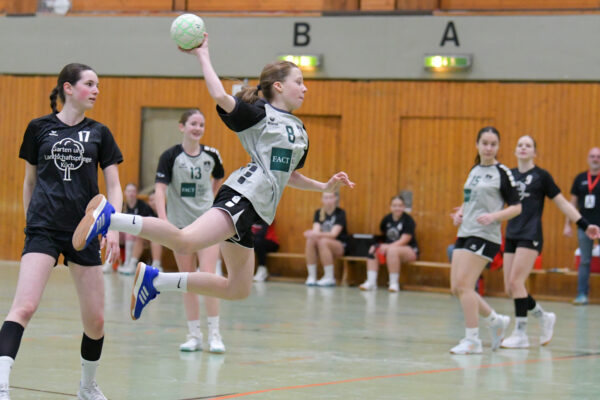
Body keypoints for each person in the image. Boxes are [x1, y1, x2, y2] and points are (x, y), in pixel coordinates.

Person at [71, 33, 354, 322]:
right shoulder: (259, 115)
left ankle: (157, 281)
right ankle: (110, 219)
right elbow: (220, 96)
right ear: (279, 86)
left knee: (238, 289)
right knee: (185, 241)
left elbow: (288, 175)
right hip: (242, 196)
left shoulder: (300, 131)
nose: (305, 88)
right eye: (299, 81)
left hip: (255, 210)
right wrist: (202, 54)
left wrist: (324, 186)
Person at [0, 63, 123, 400]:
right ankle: (1, 383)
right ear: (68, 88)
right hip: (44, 228)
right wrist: (31, 225)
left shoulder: (100, 133)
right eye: (90, 84)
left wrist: (113, 225)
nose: (96, 90)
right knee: (24, 306)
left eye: (98, 85)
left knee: (96, 322)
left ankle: (87, 386)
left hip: (84, 231)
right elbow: (29, 182)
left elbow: (114, 186)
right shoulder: (38, 128)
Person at [501, 136, 600, 348]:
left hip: (530, 234)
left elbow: (563, 203)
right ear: (515, 150)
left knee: (516, 282)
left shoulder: (542, 176)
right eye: (520, 145)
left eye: (528, 145)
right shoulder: (508, 175)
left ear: (534, 152)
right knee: (510, 288)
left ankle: (520, 334)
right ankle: (544, 317)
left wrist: (584, 225)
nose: (523, 148)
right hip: (511, 233)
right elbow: (496, 202)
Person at [154, 109, 226, 353]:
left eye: (201, 124)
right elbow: (160, 189)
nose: (198, 128)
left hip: (207, 225)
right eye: (193, 123)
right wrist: (164, 221)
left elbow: (218, 179)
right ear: (182, 127)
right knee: (187, 281)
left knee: (208, 277)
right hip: (180, 228)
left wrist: (210, 200)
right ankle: (194, 335)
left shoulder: (212, 155)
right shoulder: (170, 156)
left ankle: (215, 334)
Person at [449, 126, 521, 355]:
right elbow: (469, 199)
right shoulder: (474, 170)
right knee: (456, 288)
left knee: (465, 285)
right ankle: (495, 320)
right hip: (465, 232)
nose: (489, 148)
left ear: (498, 147)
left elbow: (517, 207)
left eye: (493, 144)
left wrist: (494, 216)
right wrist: (460, 213)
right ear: (477, 145)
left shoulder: (502, 173)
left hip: (485, 235)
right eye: (485, 143)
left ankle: (473, 340)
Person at [359, 194, 418, 292]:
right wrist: (380, 246)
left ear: (404, 207)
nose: (397, 208)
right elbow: (384, 236)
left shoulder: (408, 220)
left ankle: (393, 283)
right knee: (373, 249)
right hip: (389, 248)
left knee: (392, 251)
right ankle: (371, 282)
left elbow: (404, 240)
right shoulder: (386, 219)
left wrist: (388, 247)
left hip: (409, 249)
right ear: (390, 207)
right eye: (394, 205)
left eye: (400, 205)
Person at [565, 147, 600, 305]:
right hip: (584, 226)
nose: (595, 159)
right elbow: (571, 204)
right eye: (592, 156)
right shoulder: (580, 179)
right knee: (585, 260)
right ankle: (582, 294)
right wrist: (567, 224)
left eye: (598, 156)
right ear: (588, 159)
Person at [115, 183, 162, 275]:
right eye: (150, 200)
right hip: (140, 235)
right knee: (138, 235)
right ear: (125, 193)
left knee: (155, 237)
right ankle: (131, 264)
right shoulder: (124, 205)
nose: (152, 202)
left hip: (161, 236)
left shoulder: (162, 210)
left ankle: (156, 265)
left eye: (154, 200)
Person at [304, 192, 349, 287]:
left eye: (330, 197)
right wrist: (311, 234)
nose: (328, 200)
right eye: (326, 198)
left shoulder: (340, 213)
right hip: (322, 244)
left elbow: (333, 234)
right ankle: (312, 276)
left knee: (323, 241)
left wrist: (314, 233)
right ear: (322, 199)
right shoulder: (318, 213)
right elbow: (316, 231)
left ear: (335, 199)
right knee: (310, 240)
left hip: (340, 245)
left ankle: (329, 277)